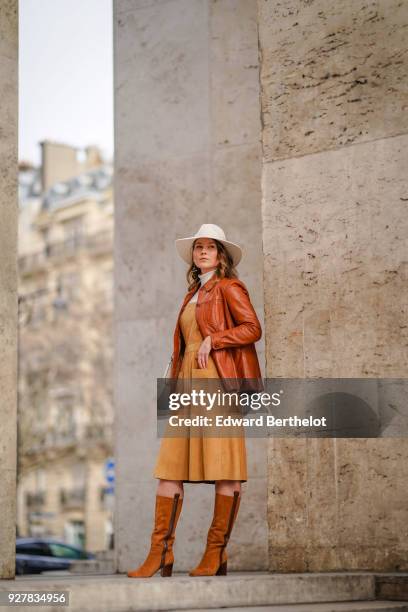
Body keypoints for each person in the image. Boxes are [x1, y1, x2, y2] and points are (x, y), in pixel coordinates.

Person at [127, 224, 263, 578]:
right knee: (170, 469)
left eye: (210, 247)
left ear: (221, 256)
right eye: (198, 247)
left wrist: (213, 340)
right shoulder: (192, 293)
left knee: (226, 471)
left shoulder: (229, 287)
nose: (202, 252)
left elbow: (252, 328)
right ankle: (160, 553)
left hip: (218, 383)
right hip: (187, 385)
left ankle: (215, 553)